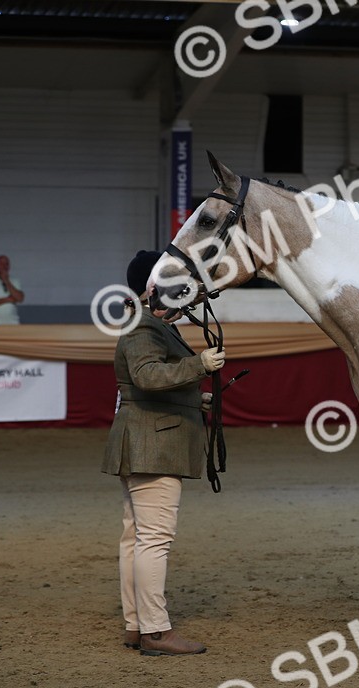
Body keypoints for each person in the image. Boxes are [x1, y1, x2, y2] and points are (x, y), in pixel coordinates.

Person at [101, 250, 226, 657]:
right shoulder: (144, 322)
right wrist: (199, 365)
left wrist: (193, 400)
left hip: (143, 439)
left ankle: (136, 625)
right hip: (153, 444)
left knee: (135, 539)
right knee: (153, 540)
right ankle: (155, 630)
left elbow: (144, 382)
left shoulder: (142, 319)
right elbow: (147, 375)